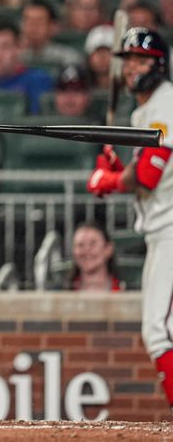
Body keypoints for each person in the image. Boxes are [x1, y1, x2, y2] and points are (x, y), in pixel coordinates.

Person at [85, 27, 173, 410]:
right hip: (161, 228)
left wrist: (111, 178)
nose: (133, 67)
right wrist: (118, 167)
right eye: (129, 60)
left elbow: (148, 177)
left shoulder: (166, 104)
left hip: (170, 229)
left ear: (160, 64)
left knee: (157, 330)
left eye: (141, 60)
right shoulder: (144, 111)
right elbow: (141, 176)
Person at [20, 0, 83, 67]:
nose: (33, 26)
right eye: (29, 21)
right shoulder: (16, 58)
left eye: (39, 21)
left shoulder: (69, 58)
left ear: (51, 26)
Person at [65, 222, 121, 291]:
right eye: (80, 245)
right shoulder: (59, 292)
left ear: (108, 249)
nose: (86, 250)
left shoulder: (127, 290)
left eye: (93, 244)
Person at [83, 24, 114, 91]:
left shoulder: (128, 88)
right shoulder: (82, 87)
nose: (102, 57)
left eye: (107, 51)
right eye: (97, 51)